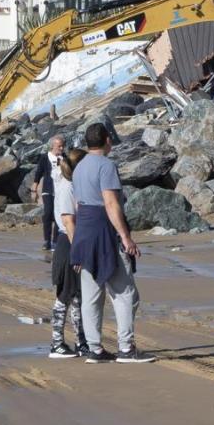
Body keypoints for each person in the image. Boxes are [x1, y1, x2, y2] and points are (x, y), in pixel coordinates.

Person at [70, 123, 154, 363]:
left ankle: (94, 349)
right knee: (126, 292)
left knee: (91, 295)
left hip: (84, 233)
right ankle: (126, 348)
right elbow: (110, 204)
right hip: (103, 231)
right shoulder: (106, 166)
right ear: (107, 140)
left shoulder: (78, 168)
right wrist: (126, 237)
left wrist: (77, 246)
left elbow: (77, 206)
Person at [48, 147, 92, 359]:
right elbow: (68, 221)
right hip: (68, 243)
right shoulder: (67, 186)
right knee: (64, 295)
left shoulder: (73, 183)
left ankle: (81, 342)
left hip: (72, 241)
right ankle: (56, 343)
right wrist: (79, 251)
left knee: (77, 297)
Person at [36, 137, 61, 252]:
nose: (61, 148)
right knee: (48, 213)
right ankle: (47, 240)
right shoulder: (45, 157)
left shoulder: (64, 158)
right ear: (52, 146)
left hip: (60, 191)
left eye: (62, 146)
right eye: (59, 146)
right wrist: (35, 185)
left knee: (58, 216)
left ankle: (55, 241)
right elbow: (39, 171)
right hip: (48, 190)